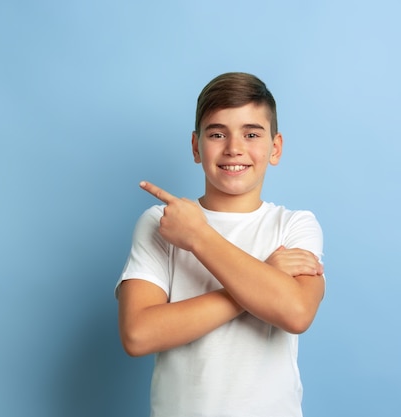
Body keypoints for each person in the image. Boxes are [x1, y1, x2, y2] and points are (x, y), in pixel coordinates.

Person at [115, 72, 325, 417]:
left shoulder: (294, 225)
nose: (234, 148)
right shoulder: (162, 222)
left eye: (251, 133)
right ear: (196, 147)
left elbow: (296, 313)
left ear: (275, 148)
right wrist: (262, 279)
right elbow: (138, 334)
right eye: (217, 134)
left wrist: (199, 237)